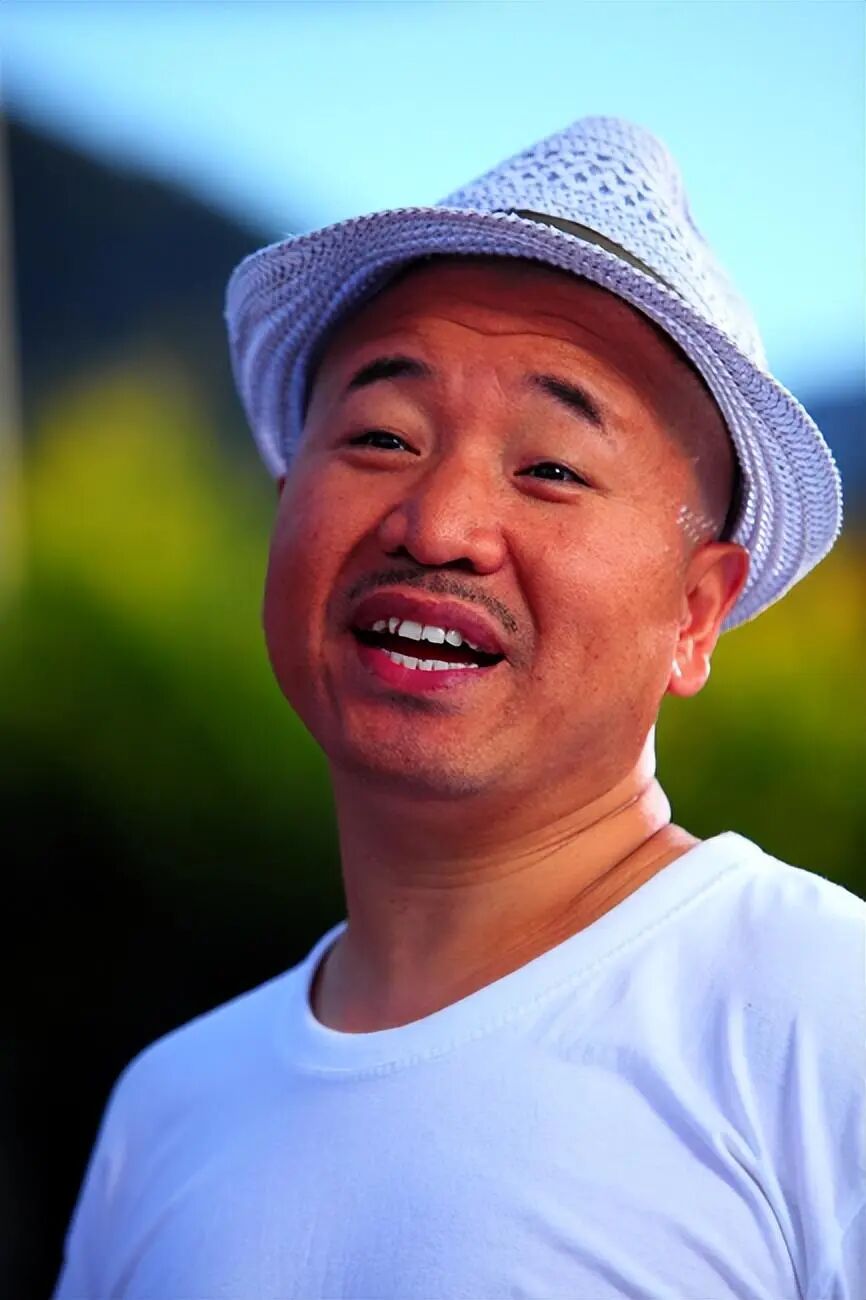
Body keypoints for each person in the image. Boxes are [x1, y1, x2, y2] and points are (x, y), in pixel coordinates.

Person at [53, 116, 864, 1300]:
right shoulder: (166, 1109)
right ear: (283, 506)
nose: (435, 527)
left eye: (550, 468)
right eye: (382, 436)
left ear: (696, 612)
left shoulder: (819, 1013)